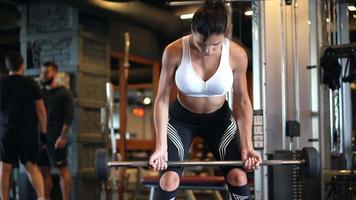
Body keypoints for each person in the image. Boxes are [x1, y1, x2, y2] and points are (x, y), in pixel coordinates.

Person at [148, 1, 262, 199]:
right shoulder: (174, 51)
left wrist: (247, 145)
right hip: (181, 120)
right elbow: (162, 99)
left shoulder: (236, 55)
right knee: (168, 180)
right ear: (192, 30)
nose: (208, 51)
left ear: (224, 35)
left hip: (220, 121)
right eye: (201, 44)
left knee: (238, 177)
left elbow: (242, 102)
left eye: (215, 45)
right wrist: (160, 146)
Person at [0, 52, 47, 200]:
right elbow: (41, 110)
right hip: (28, 133)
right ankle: (41, 198)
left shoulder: (1, 84)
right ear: (23, 66)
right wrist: (43, 134)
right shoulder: (31, 84)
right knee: (31, 167)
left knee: (5, 169)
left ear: (8, 67)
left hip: (6, 132)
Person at [39, 61, 73, 200]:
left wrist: (63, 136)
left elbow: (69, 117)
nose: (43, 75)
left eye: (46, 72)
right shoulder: (40, 93)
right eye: (42, 72)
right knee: (44, 172)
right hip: (42, 138)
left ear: (54, 73)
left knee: (62, 171)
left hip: (56, 138)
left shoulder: (64, 93)